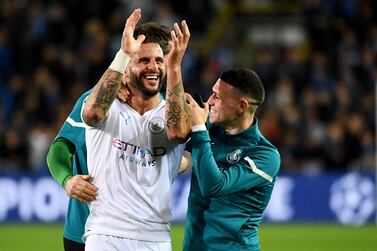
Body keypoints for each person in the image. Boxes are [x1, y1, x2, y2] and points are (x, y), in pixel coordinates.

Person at [81, 8, 191, 251]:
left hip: (156, 237)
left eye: (159, 60)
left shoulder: (174, 110)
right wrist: (124, 53)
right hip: (106, 234)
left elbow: (179, 134)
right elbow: (92, 115)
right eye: (143, 60)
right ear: (128, 67)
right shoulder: (107, 104)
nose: (153, 66)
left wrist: (174, 68)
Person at [183, 68, 281, 251]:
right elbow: (183, 162)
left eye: (217, 97)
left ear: (242, 106)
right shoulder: (208, 129)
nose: (210, 101)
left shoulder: (265, 156)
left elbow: (213, 186)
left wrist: (198, 128)